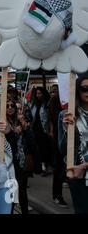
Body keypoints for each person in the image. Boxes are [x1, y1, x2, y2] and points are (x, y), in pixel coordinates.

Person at [59, 73, 88, 214]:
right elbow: (62, 149)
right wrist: (67, 130)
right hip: (77, 172)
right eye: (85, 89)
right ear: (77, 90)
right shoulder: (67, 115)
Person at [7, 98, 35, 214]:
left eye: (12, 106)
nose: (10, 108)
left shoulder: (21, 122)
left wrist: (24, 125)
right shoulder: (2, 122)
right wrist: (13, 133)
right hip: (8, 162)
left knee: (22, 191)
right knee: (11, 192)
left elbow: (32, 142)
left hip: (21, 162)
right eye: (7, 106)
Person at [48, 85, 68, 207]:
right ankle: (57, 195)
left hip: (74, 139)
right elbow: (54, 118)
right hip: (60, 138)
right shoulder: (56, 99)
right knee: (59, 168)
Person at [30, 87, 53, 176]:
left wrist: (50, 130)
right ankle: (41, 167)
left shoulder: (47, 104)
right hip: (35, 129)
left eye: (40, 93)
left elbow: (49, 118)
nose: (38, 95)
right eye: (37, 93)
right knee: (38, 148)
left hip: (44, 130)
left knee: (45, 149)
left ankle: (46, 167)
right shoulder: (34, 104)